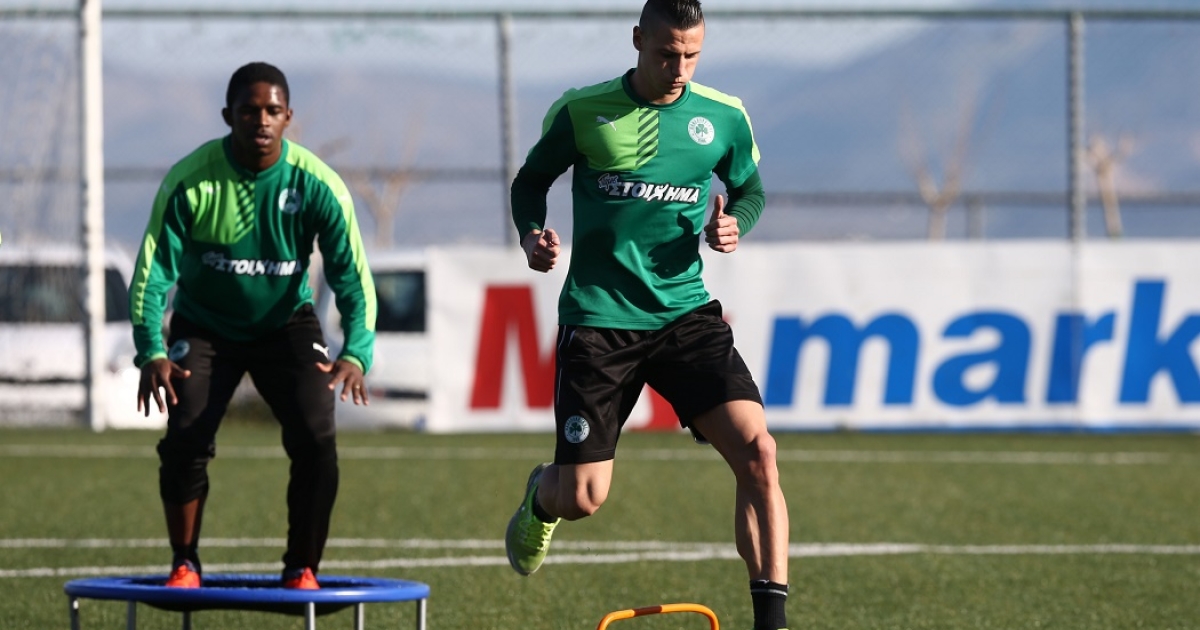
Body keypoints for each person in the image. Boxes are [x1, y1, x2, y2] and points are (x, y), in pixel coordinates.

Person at [505, 1, 790, 629]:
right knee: (583, 497)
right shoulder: (583, 111)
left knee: (759, 452)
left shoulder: (723, 117)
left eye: (691, 55)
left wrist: (735, 224)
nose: (679, 67)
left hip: (684, 314)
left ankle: (771, 623)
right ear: (637, 40)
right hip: (600, 319)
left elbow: (749, 190)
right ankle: (541, 498)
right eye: (666, 53)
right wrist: (531, 236)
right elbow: (530, 182)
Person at [129, 62, 376, 590]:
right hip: (204, 326)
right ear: (228, 116)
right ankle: (184, 562)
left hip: (286, 325)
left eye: (272, 110)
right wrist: (151, 350)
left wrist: (356, 351)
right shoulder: (190, 181)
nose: (261, 120)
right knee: (185, 436)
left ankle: (302, 568)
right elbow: (152, 274)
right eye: (249, 110)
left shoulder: (318, 185)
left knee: (316, 435)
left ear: (288, 116)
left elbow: (352, 277)